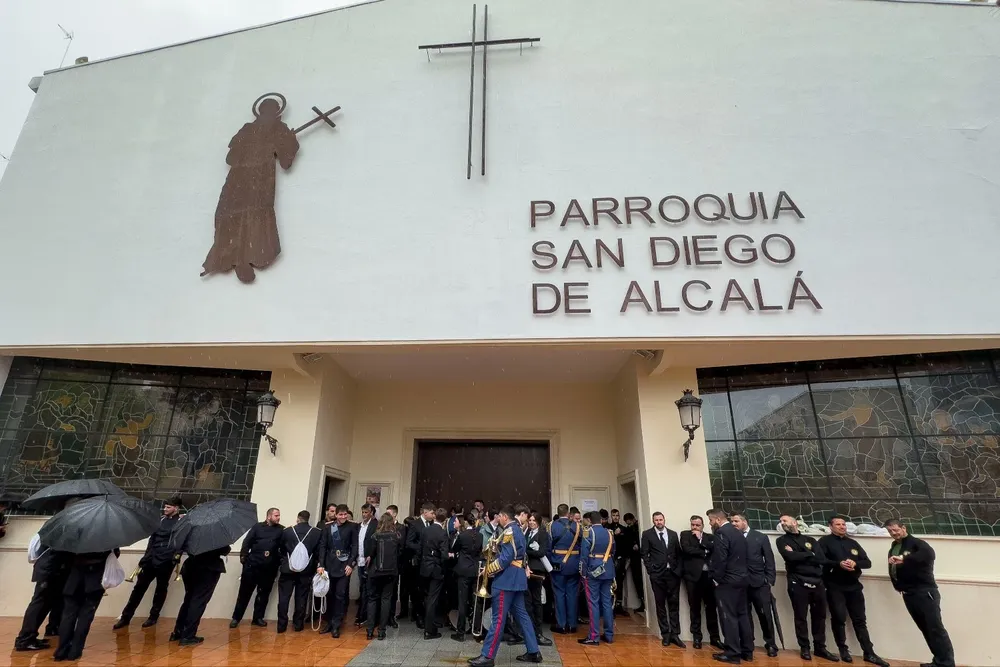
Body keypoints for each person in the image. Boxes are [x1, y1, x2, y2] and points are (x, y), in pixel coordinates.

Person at [201, 96, 299, 284]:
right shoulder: (255, 129)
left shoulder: (270, 129)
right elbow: (231, 158)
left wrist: (286, 141)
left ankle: (246, 257)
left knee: (253, 214)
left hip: (256, 179)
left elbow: (285, 159)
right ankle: (231, 256)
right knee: (230, 213)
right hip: (242, 178)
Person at [469, 505, 541, 667]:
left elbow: (506, 558)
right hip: (516, 580)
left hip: (506, 581)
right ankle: (533, 651)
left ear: (505, 517)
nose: (498, 518)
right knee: (522, 616)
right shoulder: (518, 530)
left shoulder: (509, 531)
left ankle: (487, 656)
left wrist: (489, 569)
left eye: (500, 516)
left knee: (498, 618)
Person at [819, 516, 890, 666]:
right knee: (839, 619)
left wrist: (855, 563)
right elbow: (820, 561)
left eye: (843, 524)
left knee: (860, 620)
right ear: (830, 526)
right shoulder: (824, 542)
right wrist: (838, 564)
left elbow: (867, 562)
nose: (842, 526)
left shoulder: (852, 543)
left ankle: (869, 653)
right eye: (838, 524)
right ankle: (843, 650)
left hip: (854, 587)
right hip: (834, 586)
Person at [885, 519, 954, 667]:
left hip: (924, 592)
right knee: (925, 629)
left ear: (903, 528)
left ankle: (947, 663)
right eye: (890, 531)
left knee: (935, 628)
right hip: (908, 594)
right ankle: (938, 661)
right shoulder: (894, 547)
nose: (893, 533)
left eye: (895, 529)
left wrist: (904, 559)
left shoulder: (917, 543)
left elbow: (929, 555)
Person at [776, 513, 839, 662]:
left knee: (819, 616)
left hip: (817, 582)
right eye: (780, 521)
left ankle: (820, 648)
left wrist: (802, 554)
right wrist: (810, 554)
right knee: (800, 616)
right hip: (797, 582)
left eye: (785, 520)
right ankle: (804, 647)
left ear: (795, 522)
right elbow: (789, 557)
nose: (782, 523)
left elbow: (821, 559)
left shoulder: (810, 540)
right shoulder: (781, 540)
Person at [113, 497, 183, 630]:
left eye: (168, 507)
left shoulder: (180, 522)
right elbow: (152, 539)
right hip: (151, 559)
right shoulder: (161, 520)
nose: (165, 509)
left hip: (166, 561)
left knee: (160, 590)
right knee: (138, 588)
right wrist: (145, 557)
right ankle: (125, 617)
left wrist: (175, 557)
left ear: (176, 508)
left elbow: (181, 541)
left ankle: (153, 617)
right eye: (165, 506)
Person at [54, 548, 120, 662]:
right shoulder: (107, 535)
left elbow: (64, 555)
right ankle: (75, 652)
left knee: (68, 615)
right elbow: (115, 554)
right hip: (94, 580)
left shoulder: (76, 534)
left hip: (74, 579)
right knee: (85, 617)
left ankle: (61, 651)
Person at [707, 508, 752, 664]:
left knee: (728, 617)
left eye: (711, 520)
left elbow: (721, 558)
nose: (710, 524)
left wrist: (716, 579)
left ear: (718, 520)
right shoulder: (738, 532)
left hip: (728, 582)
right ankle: (747, 651)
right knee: (743, 616)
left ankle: (732, 653)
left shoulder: (721, 533)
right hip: (742, 579)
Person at [732, 513, 777, 657]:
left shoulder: (760, 537)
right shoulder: (732, 537)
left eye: (736, 521)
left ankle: (770, 644)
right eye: (732, 521)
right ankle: (747, 645)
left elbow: (769, 559)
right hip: (740, 583)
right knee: (744, 616)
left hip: (759, 583)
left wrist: (769, 580)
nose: (733, 524)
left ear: (744, 522)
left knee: (765, 615)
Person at [230, 507, 283, 628]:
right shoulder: (257, 527)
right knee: (244, 594)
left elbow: (282, 548)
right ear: (269, 516)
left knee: (263, 595)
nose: (278, 518)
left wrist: (278, 561)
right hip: (253, 566)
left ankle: (258, 617)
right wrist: (244, 558)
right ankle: (236, 618)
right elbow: (247, 542)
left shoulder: (281, 530)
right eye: (276, 515)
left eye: (279, 515)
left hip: (269, 568)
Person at [171, 545, 231, 646]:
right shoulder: (213, 532)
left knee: (188, 600)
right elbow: (225, 550)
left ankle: (178, 632)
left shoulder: (191, 530)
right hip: (208, 569)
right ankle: (188, 636)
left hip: (190, 566)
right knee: (198, 601)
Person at [14, 543, 70, 651]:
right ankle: (25, 639)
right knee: (40, 603)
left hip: (51, 568)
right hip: (49, 569)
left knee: (49, 602)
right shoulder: (59, 533)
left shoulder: (54, 530)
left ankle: (50, 629)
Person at [640, 511, 685, 648]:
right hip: (657, 575)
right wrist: (651, 570)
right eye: (656, 520)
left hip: (672, 574)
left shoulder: (672, 534)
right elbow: (644, 553)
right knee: (660, 605)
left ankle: (675, 634)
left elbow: (678, 553)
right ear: (653, 521)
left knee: (674, 603)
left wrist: (678, 570)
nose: (659, 522)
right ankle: (665, 634)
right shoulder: (647, 534)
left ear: (664, 520)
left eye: (661, 519)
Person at [276, 510, 323, 633]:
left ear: (298, 518)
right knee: (301, 597)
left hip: (287, 569)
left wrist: (284, 561)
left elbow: (281, 548)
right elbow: (318, 552)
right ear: (308, 519)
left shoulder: (287, 531)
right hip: (306, 570)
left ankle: (281, 625)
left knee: (284, 597)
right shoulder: (316, 533)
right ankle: (298, 624)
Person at [680, 514, 722, 650]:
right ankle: (697, 637)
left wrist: (701, 542)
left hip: (708, 577)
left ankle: (714, 637)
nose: (695, 527)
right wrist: (704, 551)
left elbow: (714, 549)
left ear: (702, 525)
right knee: (695, 608)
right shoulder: (685, 535)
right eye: (693, 525)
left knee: (711, 608)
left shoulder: (710, 537)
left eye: (697, 525)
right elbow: (687, 550)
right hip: (692, 577)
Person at [578, 511, 616, 646]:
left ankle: (593, 636)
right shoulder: (609, 533)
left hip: (593, 570)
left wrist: (583, 572)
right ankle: (609, 634)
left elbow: (584, 555)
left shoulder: (588, 532)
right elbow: (613, 551)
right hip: (608, 569)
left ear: (589, 520)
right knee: (607, 602)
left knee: (593, 603)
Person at [321, 504, 358, 638]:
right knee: (329, 595)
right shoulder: (328, 527)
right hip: (329, 565)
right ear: (335, 515)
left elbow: (355, 547)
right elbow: (323, 547)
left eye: (345, 514)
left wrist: (350, 564)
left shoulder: (352, 527)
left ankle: (336, 625)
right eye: (340, 514)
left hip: (344, 566)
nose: (343, 517)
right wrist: (321, 565)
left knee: (340, 596)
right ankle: (329, 623)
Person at [547, 503, 582, 635]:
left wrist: (550, 563)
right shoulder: (577, 526)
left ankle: (561, 624)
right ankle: (572, 624)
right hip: (574, 564)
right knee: (573, 594)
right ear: (568, 513)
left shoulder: (551, 526)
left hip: (557, 564)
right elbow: (582, 545)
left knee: (559, 594)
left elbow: (548, 547)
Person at [366, 513, 401, 640]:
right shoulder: (396, 536)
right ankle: (382, 631)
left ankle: (370, 630)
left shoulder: (375, 536)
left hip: (376, 572)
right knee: (386, 600)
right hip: (391, 572)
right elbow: (400, 553)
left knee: (372, 599)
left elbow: (370, 553)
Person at [452, 511, 484, 641]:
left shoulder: (462, 535)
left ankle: (460, 632)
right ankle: (476, 630)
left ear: (465, 522)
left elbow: (454, 549)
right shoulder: (480, 536)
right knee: (476, 601)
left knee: (462, 601)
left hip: (463, 570)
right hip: (475, 570)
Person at [420, 507, 450, 639]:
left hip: (425, 567)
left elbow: (421, 548)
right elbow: (444, 555)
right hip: (436, 569)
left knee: (427, 598)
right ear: (445, 520)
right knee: (433, 599)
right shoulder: (442, 533)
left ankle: (428, 624)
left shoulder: (426, 530)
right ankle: (429, 630)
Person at [524, 511, 553, 646]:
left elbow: (542, 552)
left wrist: (527, 550)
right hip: (526, 570)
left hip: (537, 571)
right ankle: (529, 630)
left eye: (533, 520)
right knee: (527, 601)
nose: (531, 522)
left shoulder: (543, 534)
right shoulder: (526, 533)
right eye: (529, 520)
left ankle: (538, 632)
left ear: (539, 522)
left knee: (536, 601)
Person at [406, 503, 437, 627]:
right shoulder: (415, 524)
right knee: (418, 590)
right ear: (425, 512)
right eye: (432, 513)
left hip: (428, 563)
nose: (433, 515)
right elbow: (409, 542)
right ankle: (418, 615)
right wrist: (422, 548)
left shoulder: (431, 525)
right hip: (418, 563)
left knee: (425, 590)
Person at [354, 503, 377, 627]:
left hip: (369, 561)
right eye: (363, 512)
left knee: (368, 589)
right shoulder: (358, 526)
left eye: (366, 512)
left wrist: (371, 555)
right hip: (359, 560)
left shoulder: (375, 525)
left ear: (371, 513)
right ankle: (361, 614)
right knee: (362, 588)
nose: (364, 515)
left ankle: (365, 615)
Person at [385, 504, 404, 626]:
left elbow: (401, 546)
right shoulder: (383, 526)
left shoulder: (401, 528)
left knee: (392, 592)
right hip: (382, 565)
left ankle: (391, 616)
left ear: (395, 514)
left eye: (389, 513)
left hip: (394, 564)